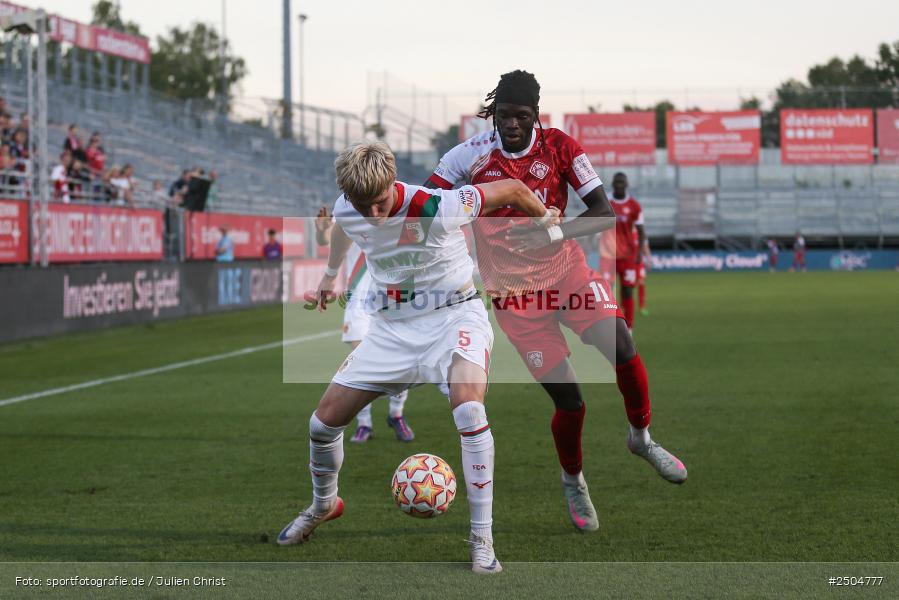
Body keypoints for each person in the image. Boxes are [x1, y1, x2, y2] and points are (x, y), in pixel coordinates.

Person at [425, 70, 687, 533]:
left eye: (521, 116)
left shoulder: (562, 147)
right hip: (515, 299)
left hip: (567, 274)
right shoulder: (466, 156)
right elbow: (427, 206)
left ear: (535, 116)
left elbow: (603, 215)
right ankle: (574, 481)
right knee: (571, 402)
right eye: (503, 115)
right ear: (493, 115)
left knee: (622, 344)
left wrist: (554, 228)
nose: (511, 125)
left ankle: (641, 438)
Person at [278, 141, 557, 574]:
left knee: (468, 407)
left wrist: (547, 221)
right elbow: (341, 227)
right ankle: (324, 504)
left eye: (380, 202)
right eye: (361, 204)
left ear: (393, 182)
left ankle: (481, 538)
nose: (372, 213)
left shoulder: (438, 205)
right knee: (322, 422)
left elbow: (516, 188)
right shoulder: (350, 206)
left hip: (454, 317)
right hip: (392, 329)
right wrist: (331, 276)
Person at [314, 206, 416, 443]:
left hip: (390, 299)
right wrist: (321, 231)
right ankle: (364, 424)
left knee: (401, 359)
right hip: (359, 301)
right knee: (361, 361)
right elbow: (327, 239)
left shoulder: (394, 207)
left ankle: (396, 415)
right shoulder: (347, 213)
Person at [598, 172, 645, 329]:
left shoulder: (634, 206)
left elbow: (641, 230)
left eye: (621, 182)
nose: (619, 184)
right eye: (616, 182)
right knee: (606, 293)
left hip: (627, 255)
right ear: (613, 184)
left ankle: (629, 328)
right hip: (608, 255)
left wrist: (640, 253)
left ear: (626, 184)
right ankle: (609, 325)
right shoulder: (606, 203)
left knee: (627, 290)